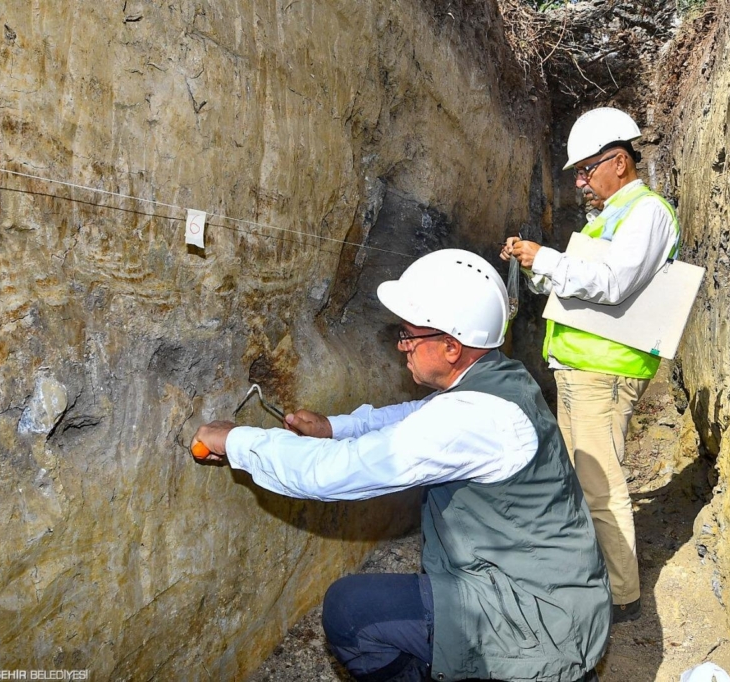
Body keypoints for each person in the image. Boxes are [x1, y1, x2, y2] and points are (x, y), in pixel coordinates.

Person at [192, 249, 610, 682]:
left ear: (451, 347)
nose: (401, 345)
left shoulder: (475, 418)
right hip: (551, 598)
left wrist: (236, 439)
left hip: (540, 620)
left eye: (409, 334)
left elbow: (334, 472)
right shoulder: (498, 378)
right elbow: (414, 416)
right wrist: (333, 427)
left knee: (351, 614)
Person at [500, 107, 680, 623]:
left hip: (606, 370)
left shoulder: (646, 213)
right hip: (582, 367)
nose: (580, 181)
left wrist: (548, 259)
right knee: (584, 480)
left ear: (618, 162)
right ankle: (596, 573)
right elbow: (581, 287)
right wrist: (535, 268)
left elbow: (614, 284)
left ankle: (622, 596)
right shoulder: (608, 219)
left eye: (586, 169)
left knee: (601, 486)